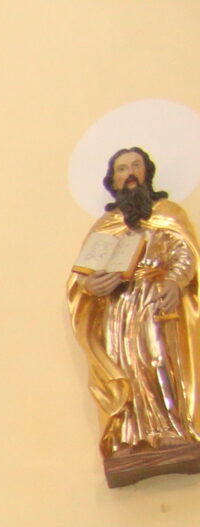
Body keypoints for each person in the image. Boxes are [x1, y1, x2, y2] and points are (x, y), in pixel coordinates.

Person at [68, 146, 200, 484]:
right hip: (118, 308)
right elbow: (83, 274)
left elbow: (185, 251)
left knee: (157, 359)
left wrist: (175, 280)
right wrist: (91, 285)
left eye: (135, 166)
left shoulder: (168, 214)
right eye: (122, 169)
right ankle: (129, 436)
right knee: (125, 366)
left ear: (146, 173)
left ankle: (171, 428)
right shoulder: (105, 226)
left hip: (155, 300)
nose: (129, 174)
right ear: (113, 181)